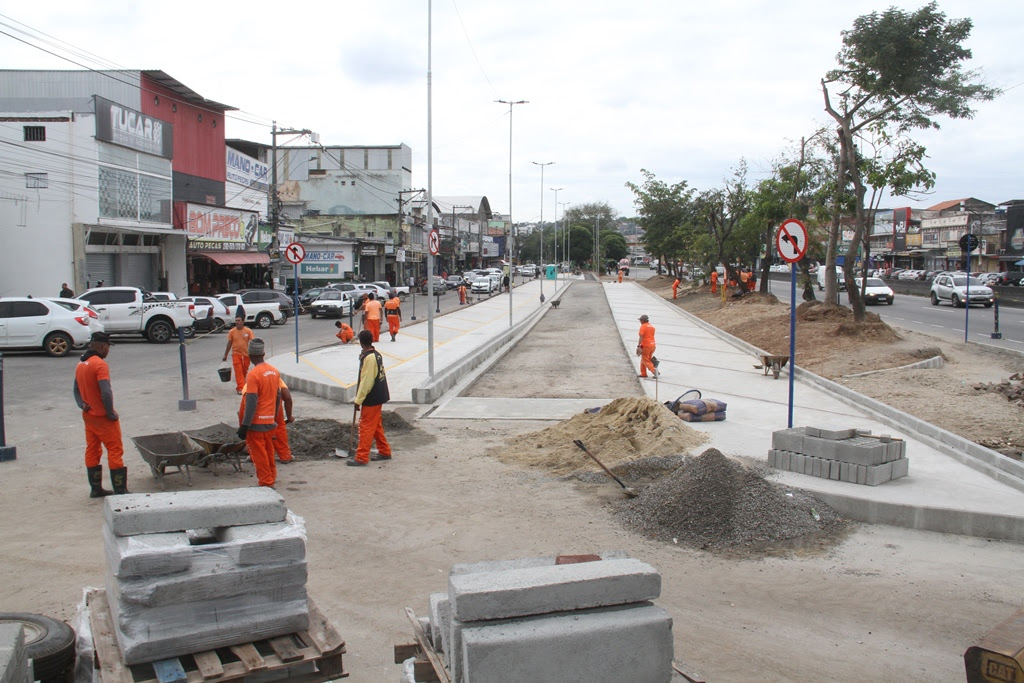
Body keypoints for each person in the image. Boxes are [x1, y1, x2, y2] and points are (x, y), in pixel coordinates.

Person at [73, 331, 128, 497]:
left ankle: (96, 489)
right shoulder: (100, 365)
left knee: (93, 450)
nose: (108, 351)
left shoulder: (81, 364)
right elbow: (106, 392)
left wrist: (82, 404)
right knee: (115, 450)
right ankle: (120, 490)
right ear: (102, 346)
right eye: (108, 347)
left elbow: (75, 389)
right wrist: (110, 412)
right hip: (102, 417)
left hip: (89, 416)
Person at [237, 338, 280, 487]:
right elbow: (278, 397)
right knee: (269, 452)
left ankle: (266, 482)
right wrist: (273, 417)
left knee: (259, 455)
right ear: (263, 353)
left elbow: (251, 402)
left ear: (250, 355)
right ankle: (271, 476)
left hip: (256, 424)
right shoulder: (274, 371)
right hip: (269, 422)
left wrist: (244, 425)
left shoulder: (253, 374)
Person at [348, 330, 392, 467]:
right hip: (379, 394)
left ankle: (361, 457)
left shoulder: (369, 358)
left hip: (372, 397)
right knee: (376, 425)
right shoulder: (375, 354)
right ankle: (384, 451)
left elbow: (366, 381)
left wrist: (358, 400)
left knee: (366, 427)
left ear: (361, 342)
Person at [222, 316, 253, 394]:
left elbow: (252, 342)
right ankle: (240, 388)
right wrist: (225, 355)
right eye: (236, 320)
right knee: (238, 371)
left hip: (246, 355)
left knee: (244, 370)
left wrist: (254, 354)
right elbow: (229, 343)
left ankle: (243, 385)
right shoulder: (232, 331)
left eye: (239, 320)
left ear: (243, 322)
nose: (237, 322)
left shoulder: (248, 331)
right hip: (236, 354)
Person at [636, 314, 659, 379]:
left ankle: (655, 371)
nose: (640, 321)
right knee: (644, 359)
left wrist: (638, 346)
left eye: (640, 320)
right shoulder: (652, 326)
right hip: (653, 345)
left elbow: (641, 336)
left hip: (646, 345)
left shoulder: (643, 326)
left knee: (646, 360)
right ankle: (643, 373)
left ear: (643, 320)